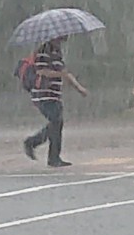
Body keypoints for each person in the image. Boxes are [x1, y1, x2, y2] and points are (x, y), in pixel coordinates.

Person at [23, 36, 88, 167]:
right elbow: (42, 71)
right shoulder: (43, 51)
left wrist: (79, 88)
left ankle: (51, 155)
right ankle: (37, 145)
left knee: (57, 123)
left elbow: (65, 72)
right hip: (42, 94)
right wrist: (61, 75)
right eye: (61, 38)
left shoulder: (57, 53)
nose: (63, 40)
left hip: (54, 95)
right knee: (56, 122)